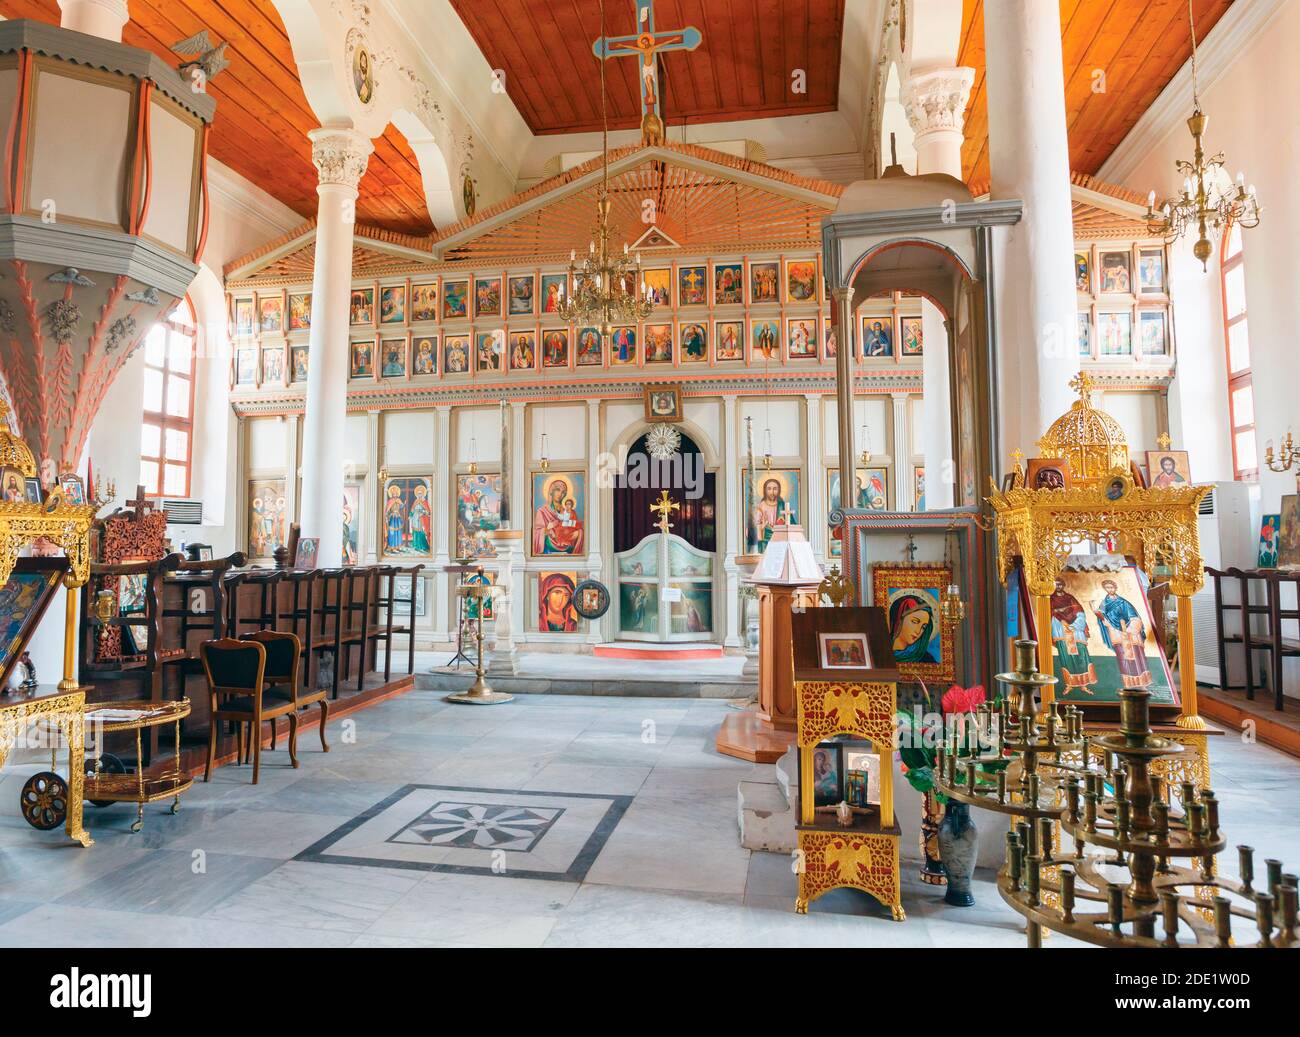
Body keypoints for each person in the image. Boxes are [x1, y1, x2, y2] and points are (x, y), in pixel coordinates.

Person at [1094, 578, 1152, 688]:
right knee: (1122, 656)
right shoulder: (1104, 603)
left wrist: (1129, 626)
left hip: (1129, 632)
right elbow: (1103, 617)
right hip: (1116, 633)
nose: (1109, 589)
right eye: (1107, 587)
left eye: (1111, 587)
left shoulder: (1123, 602)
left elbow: (1133, 615)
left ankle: (1142, 682)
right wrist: (1098, 614)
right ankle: (1129, 683)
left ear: (1115, 587)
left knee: (1136, 655)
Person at [1050, 578, 1097, 692]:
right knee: (1066, 658)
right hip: (1061, 630)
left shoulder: (1070, 598)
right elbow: (1050, 614)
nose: (1058, 586)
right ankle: (1069, 684)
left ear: (1064, 585)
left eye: (1060, 584)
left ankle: (1083, 684)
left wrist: (1075, 625)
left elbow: (1079, 612)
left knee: (1081, 656)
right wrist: (1061, 621)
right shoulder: (1050, 599)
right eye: (1056, 585)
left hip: (1076, 632)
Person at [532, 478, 584, 555]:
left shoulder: (567, 511)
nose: (560, 494)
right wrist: (548, 529)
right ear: (551, 491)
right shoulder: (542, 511)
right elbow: (536, 534)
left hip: (567, 546)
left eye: (563, 492)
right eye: (557, 490)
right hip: (549, 549)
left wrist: (578, 533)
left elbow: (573, 525)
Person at [889, 593, 938, 665]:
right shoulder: (882, 653)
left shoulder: (926, 659)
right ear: (899, 620)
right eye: (915, 622)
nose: (918, 631)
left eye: (923, 627)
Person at [749, 477, 787, 550]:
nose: (772, 492)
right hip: (765, 541)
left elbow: (791, 523)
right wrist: (762, 527)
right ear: (765, 490)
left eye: (775, 489)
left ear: (779, 490)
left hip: (780, 540)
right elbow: (755, 526)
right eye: (769, 489)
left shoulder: (782, 505)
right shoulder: (761, 506)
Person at [408, 484, 431, 553]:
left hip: (421, 518)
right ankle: (416, 545)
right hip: (415, 518)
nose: (419, 495)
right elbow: (412, 509)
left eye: (420, 494)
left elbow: (428, 512)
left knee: (421, 532)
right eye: (418, 494)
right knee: (415, 532)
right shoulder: (416, 501)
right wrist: (410, 515)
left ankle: (422, 546)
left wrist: (422, 512)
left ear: (423, 494)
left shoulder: (424, 502)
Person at [384, 484, 406, 551]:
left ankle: (398, 546)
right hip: (392, 518)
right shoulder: (390, 501)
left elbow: (401, 507)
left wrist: (404, 504)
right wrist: (387, 515)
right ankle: (392, 546)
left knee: (398, 531)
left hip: (398, 517)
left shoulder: (399, 500)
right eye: (393, 493)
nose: (395, 495)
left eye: (396, 493)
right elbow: (387, 509)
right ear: (392, 494)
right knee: (392, 531)